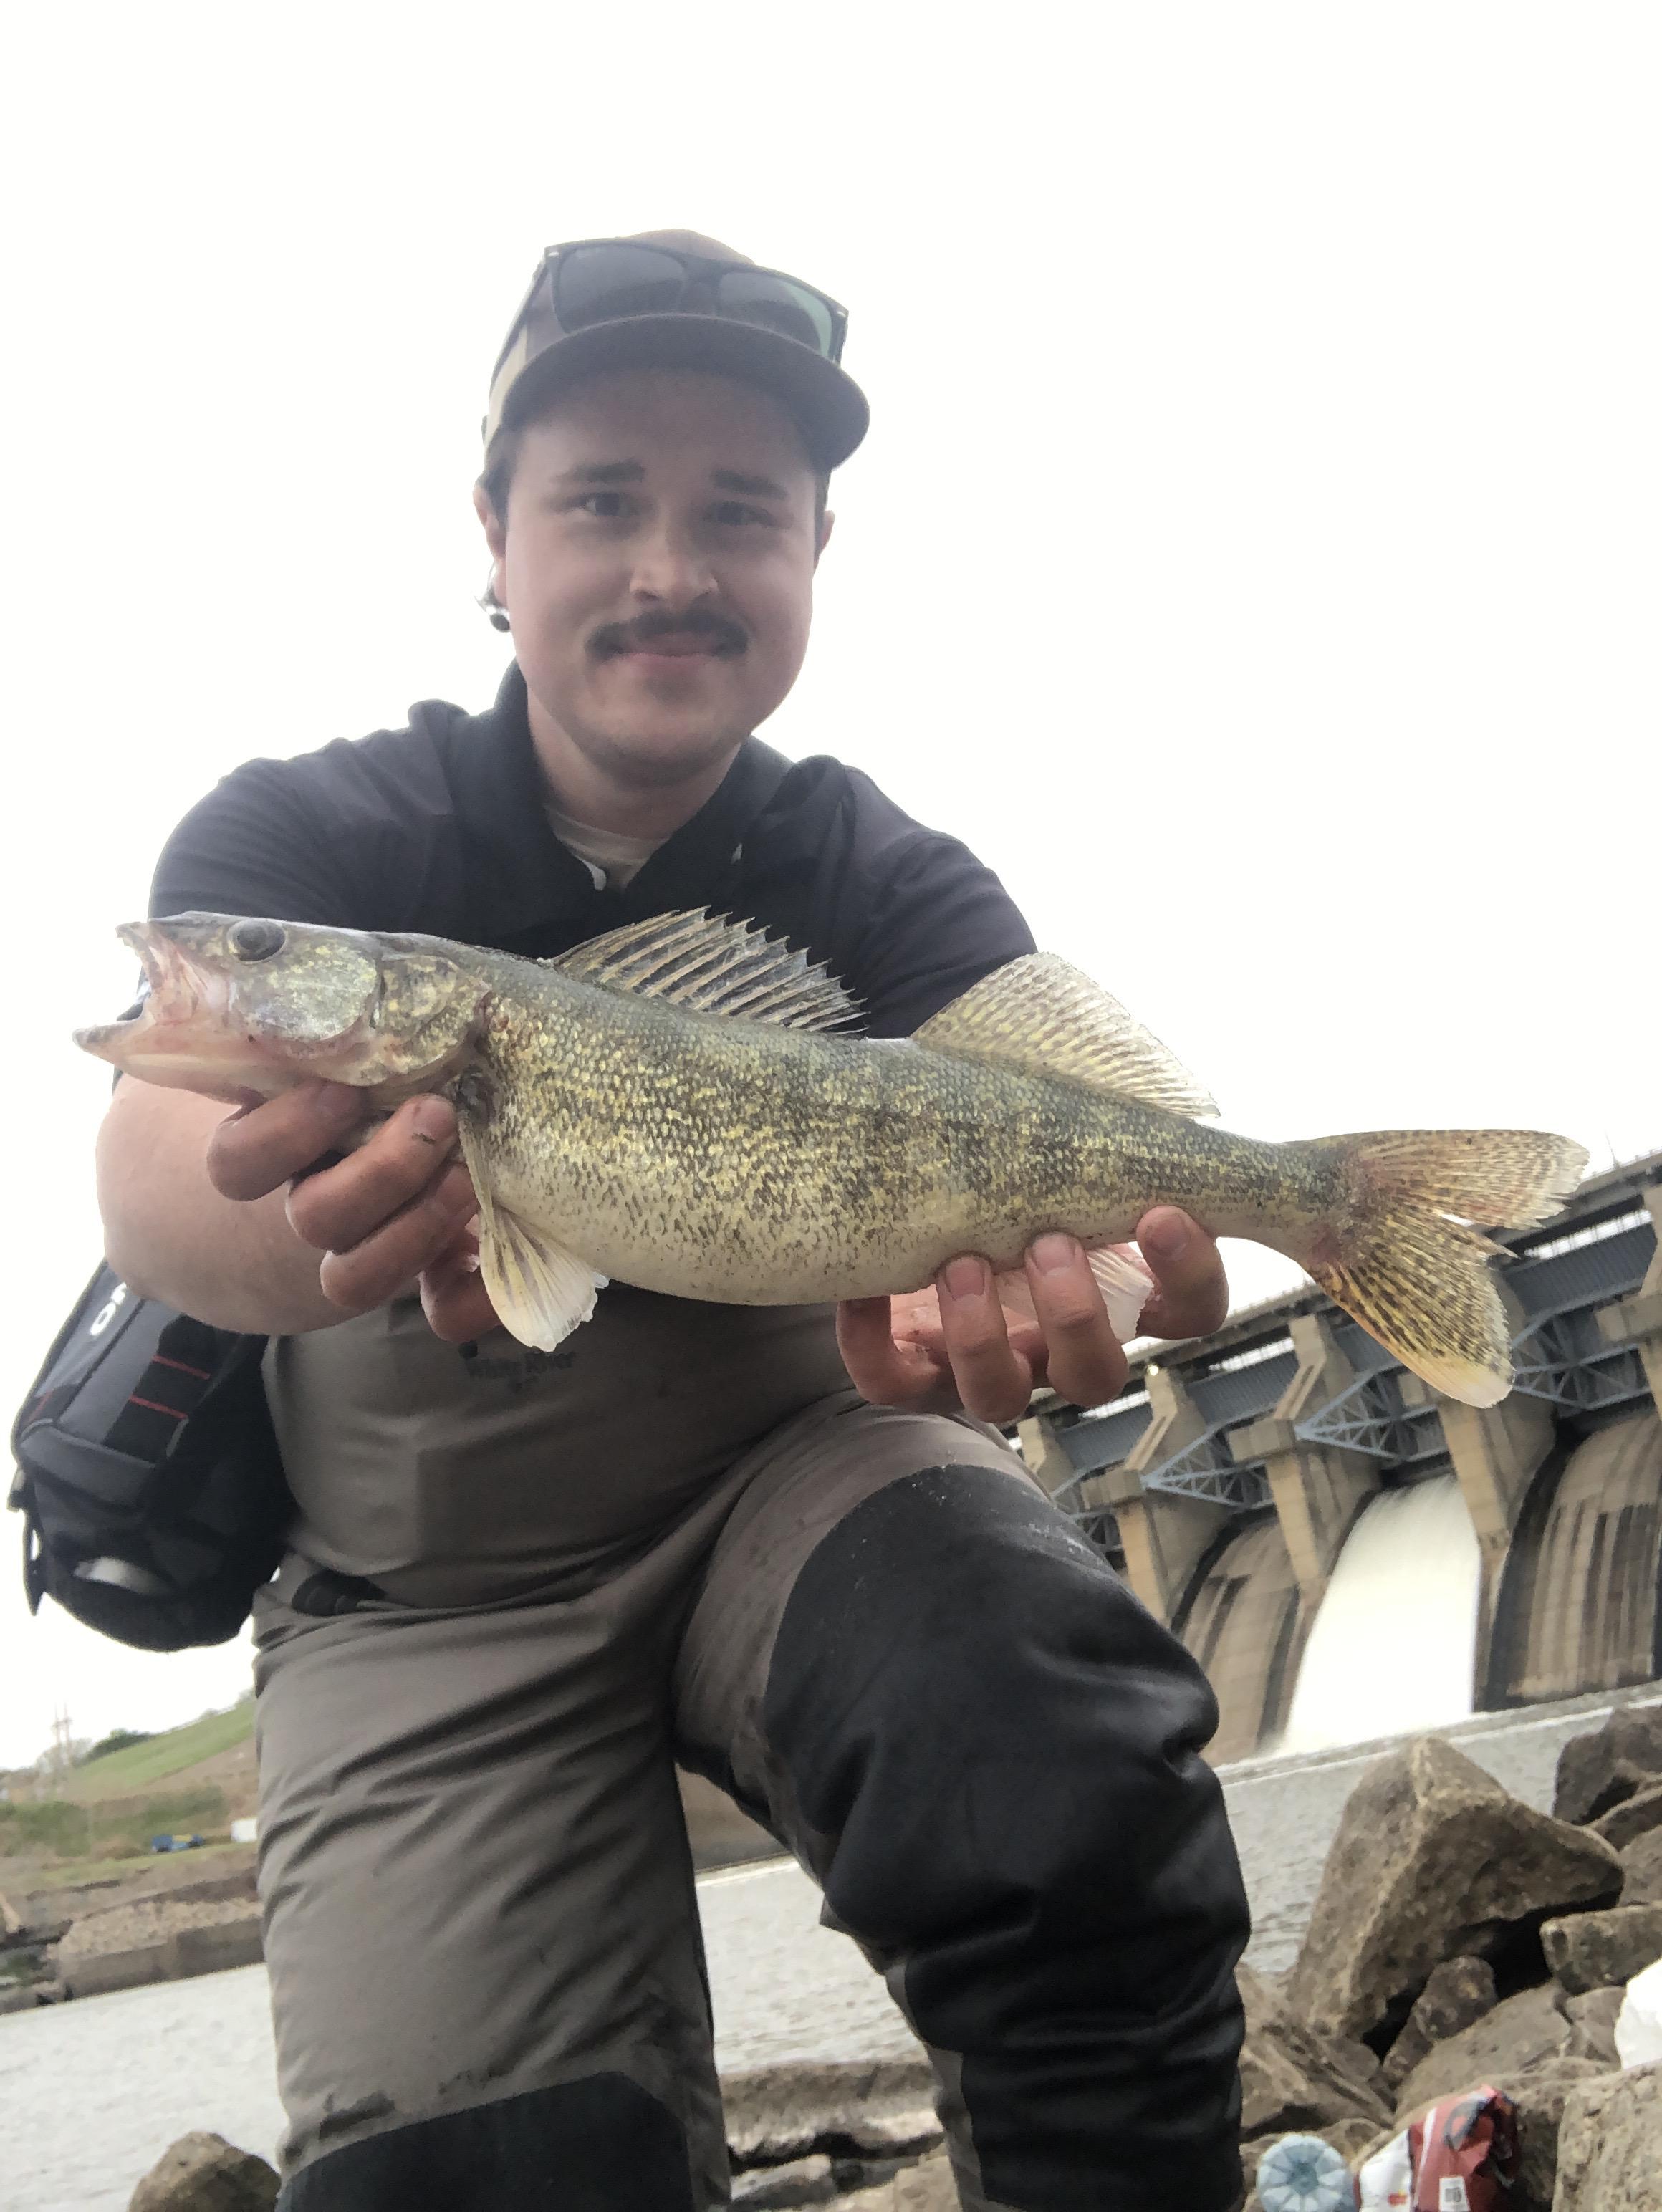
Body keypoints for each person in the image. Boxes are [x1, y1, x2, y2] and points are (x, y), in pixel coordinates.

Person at [95, 232, 1251, 2211]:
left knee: (1056, 1771)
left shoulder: (881, 872)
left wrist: (1095, 1296)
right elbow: (144, 1192)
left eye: (740, 513)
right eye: (602, 500)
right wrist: (336, 1233)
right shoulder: (316, 836)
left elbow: (1080, 1187)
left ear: (817, 550)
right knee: (482, 2168)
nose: (669, 568)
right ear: (493, 533)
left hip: (793, 1484)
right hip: (425, 1598)